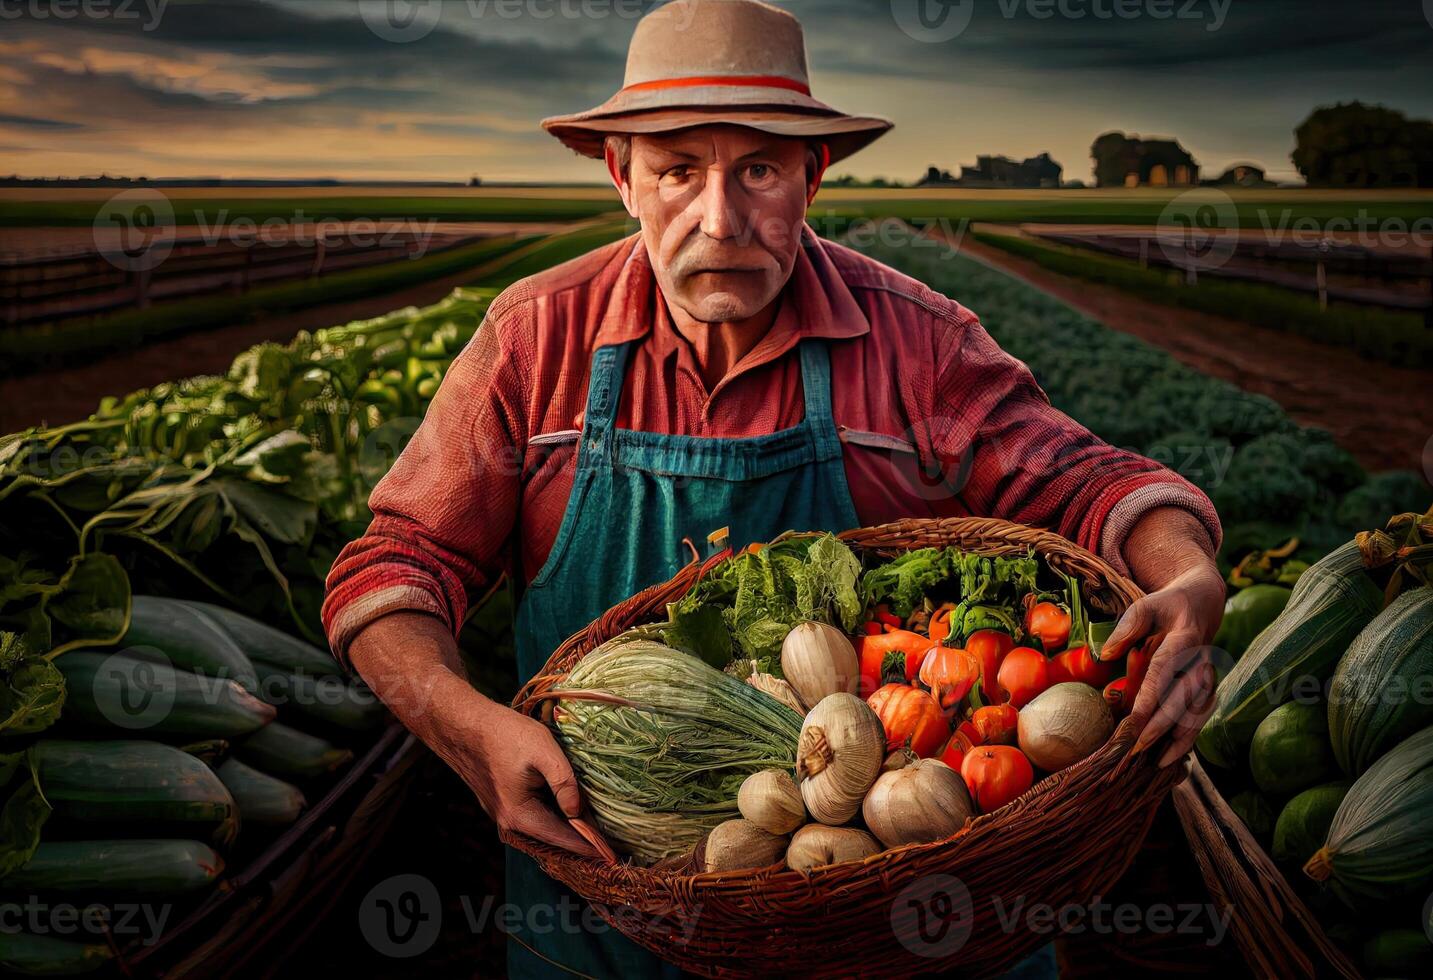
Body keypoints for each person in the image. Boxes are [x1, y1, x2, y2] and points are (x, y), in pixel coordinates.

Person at [321, 1, 1226, 976]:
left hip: (879, 902)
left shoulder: (917, 343)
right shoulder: (533, 341)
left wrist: (1182, 574)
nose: (720, 218)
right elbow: (398, 561)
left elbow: (1094, 485)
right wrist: (470, 732)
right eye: (676, 169)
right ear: (620, 176)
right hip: (609, 897)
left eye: (756, 168)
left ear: (811, 175)